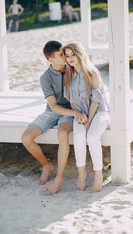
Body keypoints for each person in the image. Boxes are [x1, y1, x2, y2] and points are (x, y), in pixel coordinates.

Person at [21, 41, 87, 196]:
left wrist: (76, 112)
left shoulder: (72, 68)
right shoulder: (45, 78)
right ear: (51, 60)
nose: (65, 57)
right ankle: (46, 166)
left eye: (64, 53)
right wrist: (75, 115)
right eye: (61, 55)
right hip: (53, 110)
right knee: (26, 137)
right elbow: (54, 106)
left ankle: (59, 178)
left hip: (71, 109)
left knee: (62, 134)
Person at [63, 42, 110, 193]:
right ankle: (81, 174)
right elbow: (71, 100)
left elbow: (96, 100)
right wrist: (78, 115)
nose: (70, 58)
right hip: (81, 114)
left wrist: (89, 120)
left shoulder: (92, 73)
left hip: (99, 113)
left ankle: (98, 175)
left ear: (79, 54)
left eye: (73, 55)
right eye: (67, 55)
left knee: (92, 136)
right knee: (78, 136)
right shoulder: (68, 75)